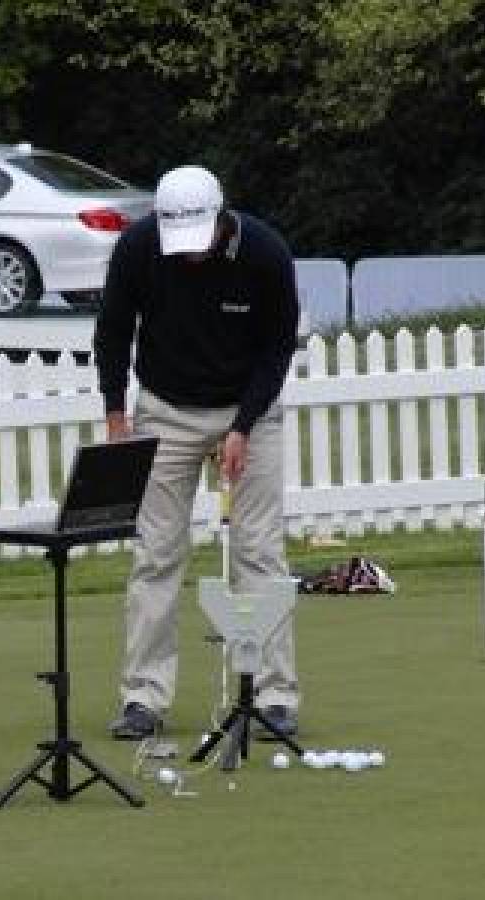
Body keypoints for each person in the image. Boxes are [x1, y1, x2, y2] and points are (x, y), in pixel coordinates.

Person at [93, 165, 301, 741]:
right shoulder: (139, 247)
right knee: (156, 554)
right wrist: (117, 417)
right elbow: (113, 328)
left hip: (249, 408)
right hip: (163, 408)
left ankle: (273, 695)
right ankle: (143, 698)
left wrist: (242, 427)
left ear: (220, 217)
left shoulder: (265, 252)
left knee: (258, 552)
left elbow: (277, 347)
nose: (188, 255)